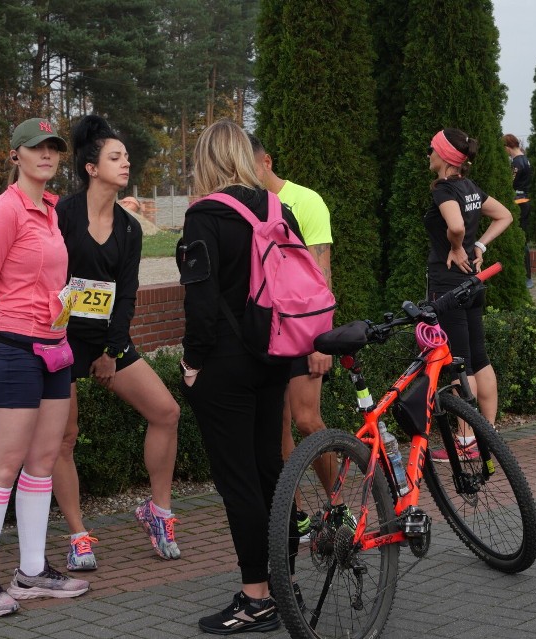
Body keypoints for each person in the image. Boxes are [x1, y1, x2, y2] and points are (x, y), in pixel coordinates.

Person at [177, 119, 304, 635]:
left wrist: (191, 363)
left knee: (238, 482)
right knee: (270, 470)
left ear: (207, 159)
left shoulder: (203, 216)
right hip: (274, 353)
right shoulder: (279, 208)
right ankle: (284, 584)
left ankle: (256, 598)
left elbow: (200, 305)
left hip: (225, 363)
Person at [0, 117, 90, 617]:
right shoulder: (5, 212)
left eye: (54, 148)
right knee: (6, 464)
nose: (47, 155)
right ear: (15, 155)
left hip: (54, 347)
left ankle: (31, 570)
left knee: (42, 460)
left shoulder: (51, 210)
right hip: (11, 347)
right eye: (36, 148)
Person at [53, 115, 181, 567]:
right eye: (115, 156)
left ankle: (158, 511)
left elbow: (126, 295)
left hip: (110, 339)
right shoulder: (62, 214)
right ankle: (78, 535)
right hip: (61, 340)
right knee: (63, 437)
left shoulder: (130, 229)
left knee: (166, 411)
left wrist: (111, 350)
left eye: (126, 156)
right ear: (91, 167)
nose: (126, 162)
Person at [248, 133, 336, 533]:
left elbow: (320, 275)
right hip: (267, 335)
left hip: (303, 332)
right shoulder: (245, 205)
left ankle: (337, 505)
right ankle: (295, 512)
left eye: (248, 165)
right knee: (277, 424)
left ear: (266, 161)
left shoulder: (307, 200)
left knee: (307, 420)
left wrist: (323, 341)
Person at [424, 128, 513, 462]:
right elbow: (505, 214)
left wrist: (459, 245)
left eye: (431, 149)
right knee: (479, 358)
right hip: (473, 283)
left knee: (460, 363)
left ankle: (465, 442)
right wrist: (480, 246)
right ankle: (487, 434)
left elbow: (456, 226)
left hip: (450, 286)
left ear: (445, 157)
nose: (428, 154)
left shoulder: (445, 190)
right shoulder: (470, 187)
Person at [503, 133, 533, 289]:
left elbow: (510, 183)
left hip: (517, 203)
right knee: (523, 239)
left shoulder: (516, 163)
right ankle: (527, 276)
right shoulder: (526, 159)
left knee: (519, 240)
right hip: (525, 201)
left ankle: (525, 277)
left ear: (507, 147)